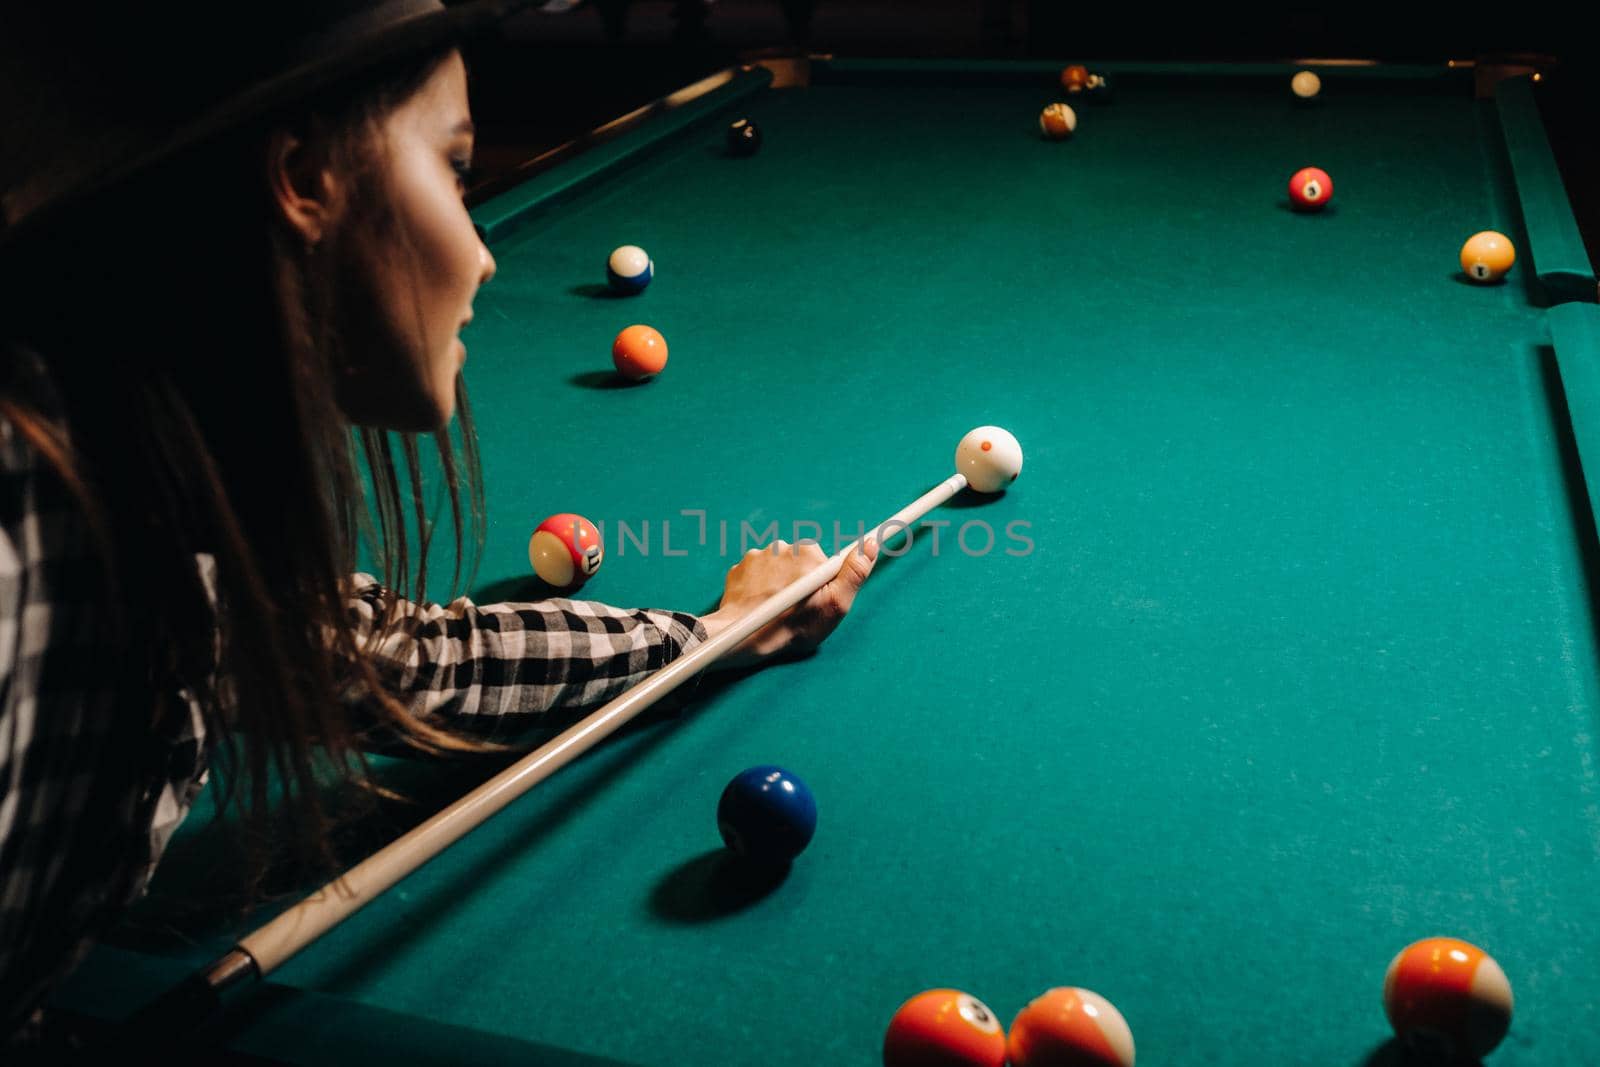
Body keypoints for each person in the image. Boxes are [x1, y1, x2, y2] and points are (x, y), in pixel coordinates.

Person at [0, 0, 875, 1048]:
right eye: (454, 171)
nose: (486, 252)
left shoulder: (145, 475)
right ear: (305, 179)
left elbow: (410, 663)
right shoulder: (23, 533)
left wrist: (708, 636)